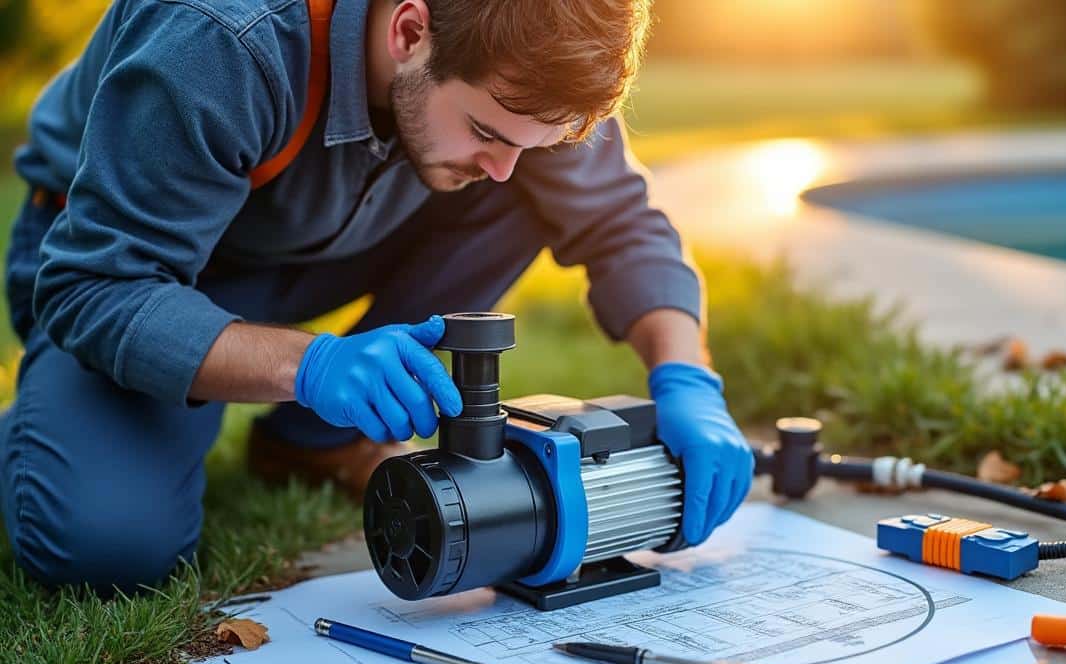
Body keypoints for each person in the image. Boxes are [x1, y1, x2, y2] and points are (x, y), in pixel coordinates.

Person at [0, 0, 754, 594]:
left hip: (314, 242)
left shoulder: (521, 61)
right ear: (409, 30)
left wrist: (686, 377)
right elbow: (94, 287)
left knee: (520, 188)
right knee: (106, 542)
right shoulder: (224, 37)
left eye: (531, 144)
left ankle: (311, 442)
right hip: (132, 262)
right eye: (488, 130)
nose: (505, 166)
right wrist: (311, 365)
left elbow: (622, 222)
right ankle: (53, 422)